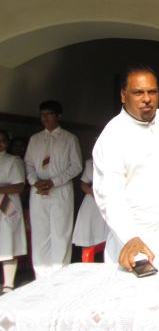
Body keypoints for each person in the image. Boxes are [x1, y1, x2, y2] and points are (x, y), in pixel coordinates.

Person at [93, 65, 159, 272]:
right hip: (136, 241)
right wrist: (129, 237)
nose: (147, 99)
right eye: (138, 93)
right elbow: (109, 194)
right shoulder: (112, 135)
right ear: (123, 95)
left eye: (152, 91)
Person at [24, 100, 82, 278]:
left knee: (60, 232)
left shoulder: (69, 138)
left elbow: (76, 166)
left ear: (59, 116)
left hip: (60, 190)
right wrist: (35, 181)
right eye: (42, 115)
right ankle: (41, 276)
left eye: (49, 114)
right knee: (40, 233)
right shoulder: (35, 139)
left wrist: (54, 182)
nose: (45, 118)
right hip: (38, 191)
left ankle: (59, 275)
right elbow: (28, 163)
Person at [0, 130, 26, 294]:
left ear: (7, 143)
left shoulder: (14, 161)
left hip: (7, 204)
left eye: (2, 140)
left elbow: (19, 186)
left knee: (8, 241)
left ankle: (8, 283)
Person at [72, 157, 109, 253]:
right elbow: (84, 184)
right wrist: (91, 191)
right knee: (88, 231)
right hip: (92, 201)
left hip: (110, 199)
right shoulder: (90, 162)